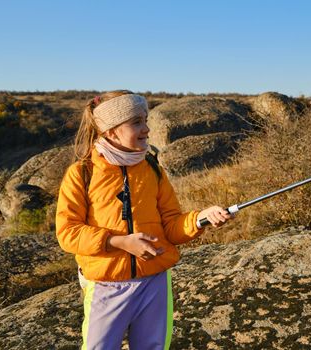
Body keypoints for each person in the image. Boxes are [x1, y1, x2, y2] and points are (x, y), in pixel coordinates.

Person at [56, 90, 232, 349]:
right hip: (105, 285)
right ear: (112, 130)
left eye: (145, 120)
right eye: (136, 122)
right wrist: (120, 242)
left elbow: (172, 227)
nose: (147, 129)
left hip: (154, 282)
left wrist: (199, 219)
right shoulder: (81, 173)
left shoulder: (153, 170)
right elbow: (68, 233)